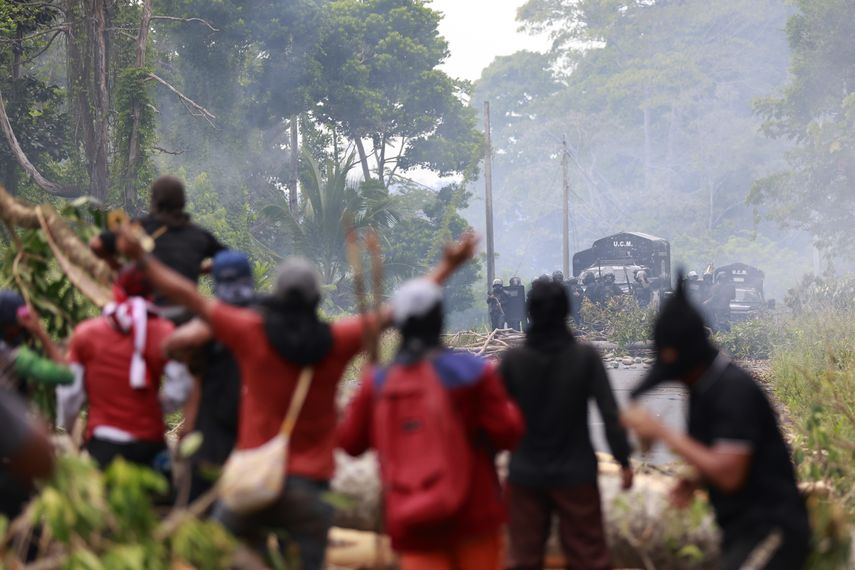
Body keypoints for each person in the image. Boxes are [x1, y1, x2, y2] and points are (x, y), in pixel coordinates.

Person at [116, 225, 477, 570]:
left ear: (275, 294)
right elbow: (396, 310)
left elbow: (189, 296)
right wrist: (448, 266)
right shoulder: (336, 341)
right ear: (317, 298)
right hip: (310, 491)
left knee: (213, 549)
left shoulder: (251, 333)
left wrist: (142, 258)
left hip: (253, 486)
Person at [622, 278, 810, 570]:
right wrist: (696, 479)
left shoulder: (733, 390)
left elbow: (730, 473)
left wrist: (661, 432)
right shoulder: (703, 387)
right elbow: (734, 458)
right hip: (740, 531)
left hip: (772, 531)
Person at [338, 278, 524, 570]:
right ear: (439, 320)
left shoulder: (378, 382)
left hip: (412, 523)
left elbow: (350, 442)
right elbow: (509, 433)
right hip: (474, 516)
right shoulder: (473, 372)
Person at [500, 281, 633, 570]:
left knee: (522, 558)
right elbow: (610, 415)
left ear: (529, 312)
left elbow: (492, 416)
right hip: (577, 474)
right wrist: (623, 460)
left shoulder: (513, 361)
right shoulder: (585, 358)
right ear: (567, 311)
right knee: (589, 557)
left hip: (525, 473)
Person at [57, 266, 192, 470]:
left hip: (103, 442)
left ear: (116, 290)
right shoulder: (165, 332)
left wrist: (68, 428)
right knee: (164, 498)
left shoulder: (86, 333)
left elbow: (70, 394)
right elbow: (180, 389)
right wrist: (153, 409)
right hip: (150, 442)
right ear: (151, 294)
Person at [164, 250, 256, 502]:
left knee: (201, 506)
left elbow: (175, 347)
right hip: (254, 433)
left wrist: (188, 428)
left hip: (215, 434)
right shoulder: (266, 316)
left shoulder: (211, 322)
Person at [90, 176, 225, 314]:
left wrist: (117, 267)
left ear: (154, 201)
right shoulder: (199, 235)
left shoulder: (138, 228)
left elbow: (96, 245)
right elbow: (229, 260)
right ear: (182, 202)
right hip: (186, 312)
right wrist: (199, 269)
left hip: (145, 313)